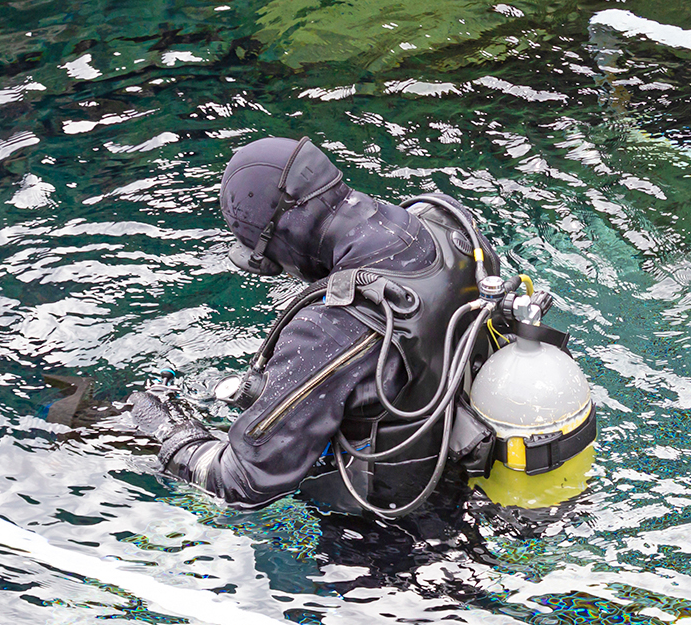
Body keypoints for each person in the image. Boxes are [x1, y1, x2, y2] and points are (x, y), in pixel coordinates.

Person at [128, 136, 498, 516]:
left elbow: (241, 481)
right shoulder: (447, 222)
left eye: (270, 260)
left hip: (388, 538)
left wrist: (168, 429)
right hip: (474, 473)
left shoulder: (333, 327)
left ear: (279, 239)